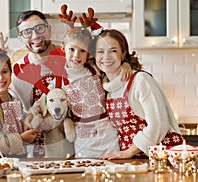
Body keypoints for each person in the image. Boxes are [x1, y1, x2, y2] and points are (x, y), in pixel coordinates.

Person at [92, 29, 184, 159]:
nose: (106, 56)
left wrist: (129, 152)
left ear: (123, 54)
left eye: (113, 50)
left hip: (161, 159)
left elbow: (159, 124)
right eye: (100, 51)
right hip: (131, 161)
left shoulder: (140, 80)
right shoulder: (105, 88)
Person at [47, 27, 131, 158]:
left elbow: (114, 64)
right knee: (86, 172)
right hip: (83, 137)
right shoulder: (57, 81)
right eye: (72, 49)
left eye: (82, 50)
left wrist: (125, 65)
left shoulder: (95, 69)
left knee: (113, 168)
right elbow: (46, 103)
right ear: (63, 48)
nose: (76, 55)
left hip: (107, 132)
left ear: (88, 53)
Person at [10, 10, 69, 157]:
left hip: (72, 147)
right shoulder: (17, 73)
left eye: (39, 28)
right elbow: (14, 112)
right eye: (27, 32)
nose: (35, 36)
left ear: (49, 29)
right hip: (35, 154)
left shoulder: (70, 60)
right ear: (21, 38)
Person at [0, 34, 41, 158]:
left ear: (11, 72)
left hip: (14, 160)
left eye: (4, 71)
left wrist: (27, 121)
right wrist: (21, 139)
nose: (0, 78)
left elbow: (17, 119)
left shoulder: (11, 97)